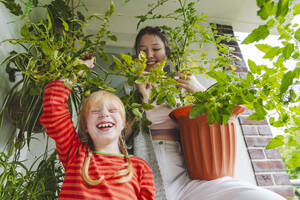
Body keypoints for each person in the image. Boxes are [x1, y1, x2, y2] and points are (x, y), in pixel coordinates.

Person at [131, 26, 285, 200]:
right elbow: (123, 135)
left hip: (191, 174)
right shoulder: (131, 90)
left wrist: (199, 90)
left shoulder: (181, 85)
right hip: (151, 166)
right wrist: (142, 99)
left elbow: (222, 118)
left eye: (156, 49)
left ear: (167, 53)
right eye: (143, 51)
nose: (150, 55)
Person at [40, 57, 155, 200]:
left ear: (124, 123)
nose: (104, 114)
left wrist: (144, 97)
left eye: (113, 110)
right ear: (85, 126)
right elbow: (53, 105)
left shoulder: (140, 168)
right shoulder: (75, 153)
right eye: (95, 111)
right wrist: (76, 70)